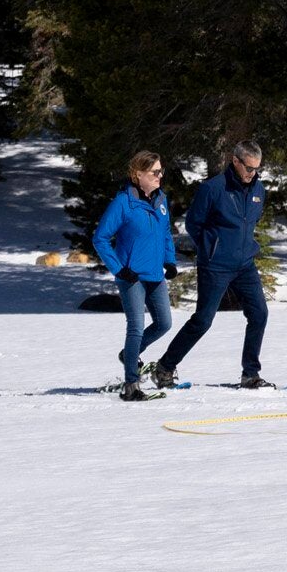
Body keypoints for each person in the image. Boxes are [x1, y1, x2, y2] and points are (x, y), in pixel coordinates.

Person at [150, 140, 270, 390]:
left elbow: (251, 222)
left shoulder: (258, 190)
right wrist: (211, 248)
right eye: (249, 168)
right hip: (215, 266)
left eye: (257, 168)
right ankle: (165, 367)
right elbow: (194, 224)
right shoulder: (213, 189)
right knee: (203, 320)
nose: (253, 173)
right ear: (236, 161)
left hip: (245, 265)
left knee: (259, 314)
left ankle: (250, 374)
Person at [91, 151, 178, 399]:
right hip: (131, 277)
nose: (160, 176)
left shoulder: (161, 200)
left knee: (164, 323)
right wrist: (119, 269)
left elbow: (165, 234)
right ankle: (132, 385)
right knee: (136, 327)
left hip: (154, 274)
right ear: (138, 174)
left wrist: (169, 261)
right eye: (155, 172)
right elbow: (100, 238)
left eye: (161, 171)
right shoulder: (123, 203)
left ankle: (129, 354)